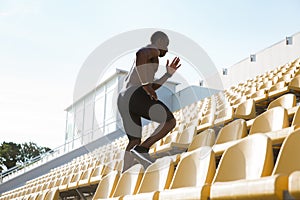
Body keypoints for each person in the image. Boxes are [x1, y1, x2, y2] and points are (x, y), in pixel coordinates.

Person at [117, 31, 181, 171]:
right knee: (170, 121)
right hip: (134, 94)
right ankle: (143, 149)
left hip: (123, 98)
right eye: (166, 45)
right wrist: (145, 84)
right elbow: (141, 53)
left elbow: (152, 87)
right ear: (159, 41)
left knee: (134, 141)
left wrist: (167, 74)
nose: (167, 50)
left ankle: (125, 173)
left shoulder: (149, 61)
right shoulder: (152, 50)